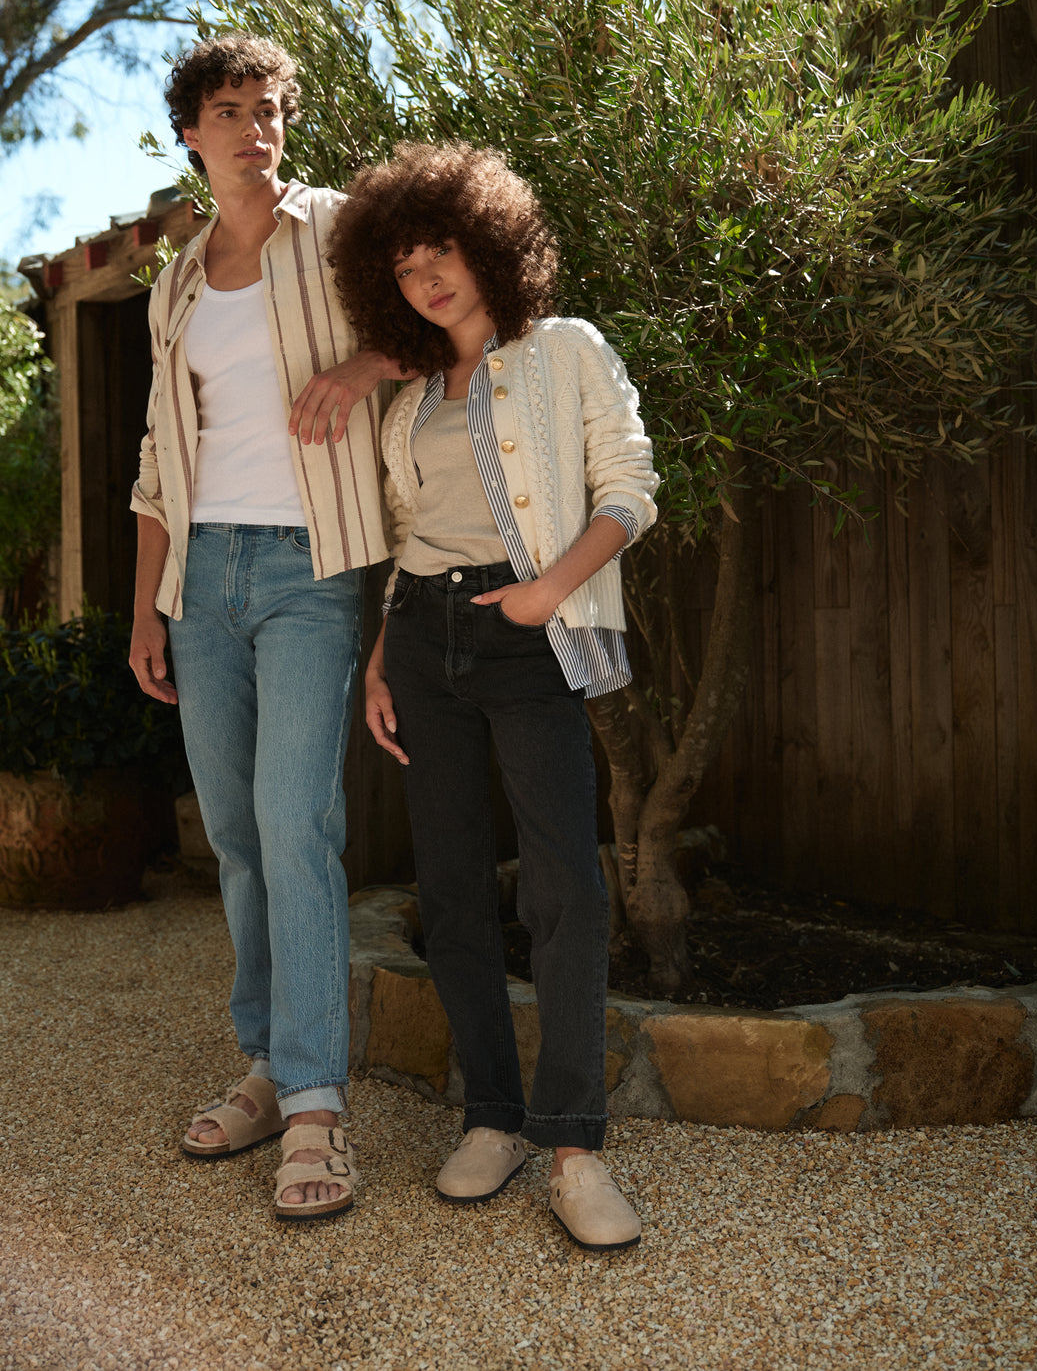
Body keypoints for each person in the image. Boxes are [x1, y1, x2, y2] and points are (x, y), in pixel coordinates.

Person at [328, 143, 660, 1251]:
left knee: (564, 883)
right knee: (453, 885)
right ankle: (492, 1116)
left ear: (491, 242)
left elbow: (630, 488)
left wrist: (547, 593)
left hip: (529, 637)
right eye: (406, 262)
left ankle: (573, 1145)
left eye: (443, 249)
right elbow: (405, 535)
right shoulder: (412, 395)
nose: (427, 276)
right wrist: (382, 652)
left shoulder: (562, 350)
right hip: (422, 638)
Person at [128, 33, 408, 1223]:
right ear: (193, 133)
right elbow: (157, 458)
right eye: (229, 110)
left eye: (269, 109)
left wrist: (355, 372)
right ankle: (263, 1060)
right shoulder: (176, 281)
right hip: (205, 582)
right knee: (236, 833)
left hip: (309, 569)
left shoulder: (340, 232)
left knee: (298, 824)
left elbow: (441, 333)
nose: (253, 128)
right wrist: (149, 600)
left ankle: (315, 1108)